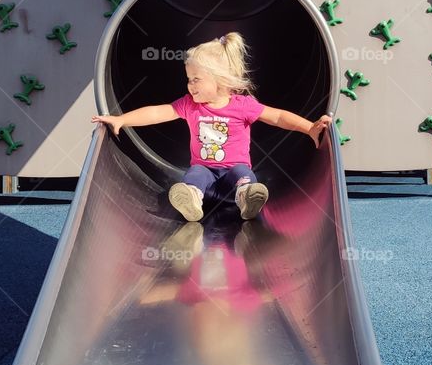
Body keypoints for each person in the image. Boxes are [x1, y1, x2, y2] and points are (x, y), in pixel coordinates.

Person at [92, 32, 331, 222]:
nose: (190, 85)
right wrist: (121, 120)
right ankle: (192, 201)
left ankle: (247, 199)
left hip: (234, 170)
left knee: (244, 176)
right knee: (194, 175)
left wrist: (309, 128)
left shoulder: (242, 105)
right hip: (205, 169)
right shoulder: (189, 105)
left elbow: (277, 117)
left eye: (196, 79)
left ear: (220, 80)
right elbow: (158, 112)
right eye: (188, 79)